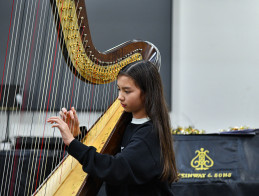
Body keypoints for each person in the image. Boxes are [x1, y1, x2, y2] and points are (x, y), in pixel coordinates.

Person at [47, 60, 178, 195]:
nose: (120, 97)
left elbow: (115, 168)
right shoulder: (126, 123)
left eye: (127, 91)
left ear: (147, 93)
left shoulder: (149, 135)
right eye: (119, 89)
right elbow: (103, 155)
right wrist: (77, 136)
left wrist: (72, 143)